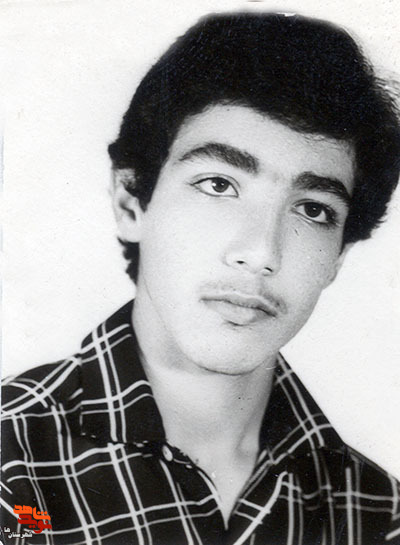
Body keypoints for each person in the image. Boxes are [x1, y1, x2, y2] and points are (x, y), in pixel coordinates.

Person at [1, 11, 400, 545]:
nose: (261, 252)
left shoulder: (377, 511)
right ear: (131, 203)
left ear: (339, 256)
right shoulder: (12, 457)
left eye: (312, 209)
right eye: (218, 184)